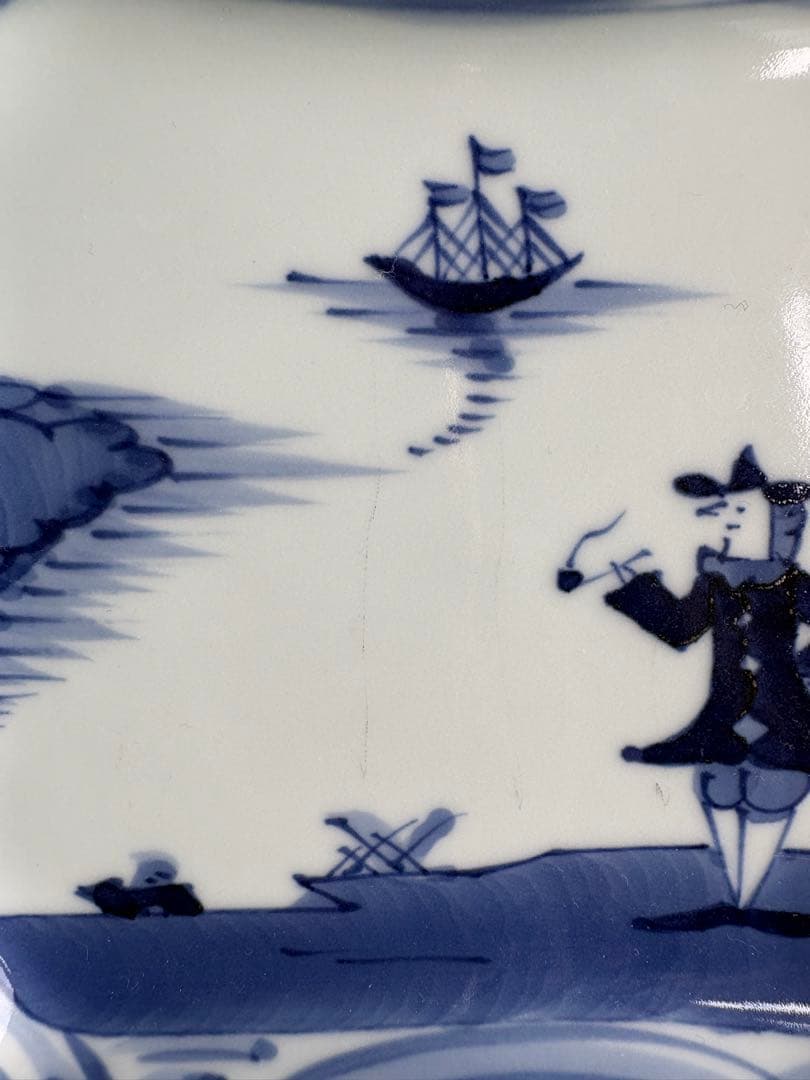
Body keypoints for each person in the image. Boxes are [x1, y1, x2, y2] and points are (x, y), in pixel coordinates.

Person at [560, 446, 810, 915]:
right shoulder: (717, 582)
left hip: (781, 713)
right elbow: (680, 628)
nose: (730, 527)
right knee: (719, 785)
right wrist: (636, 585)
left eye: (744, 516)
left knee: (773, 789)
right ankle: (734, 896)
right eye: (727, 516)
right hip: (725, 710)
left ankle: (747, 895)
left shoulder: (794, 585)